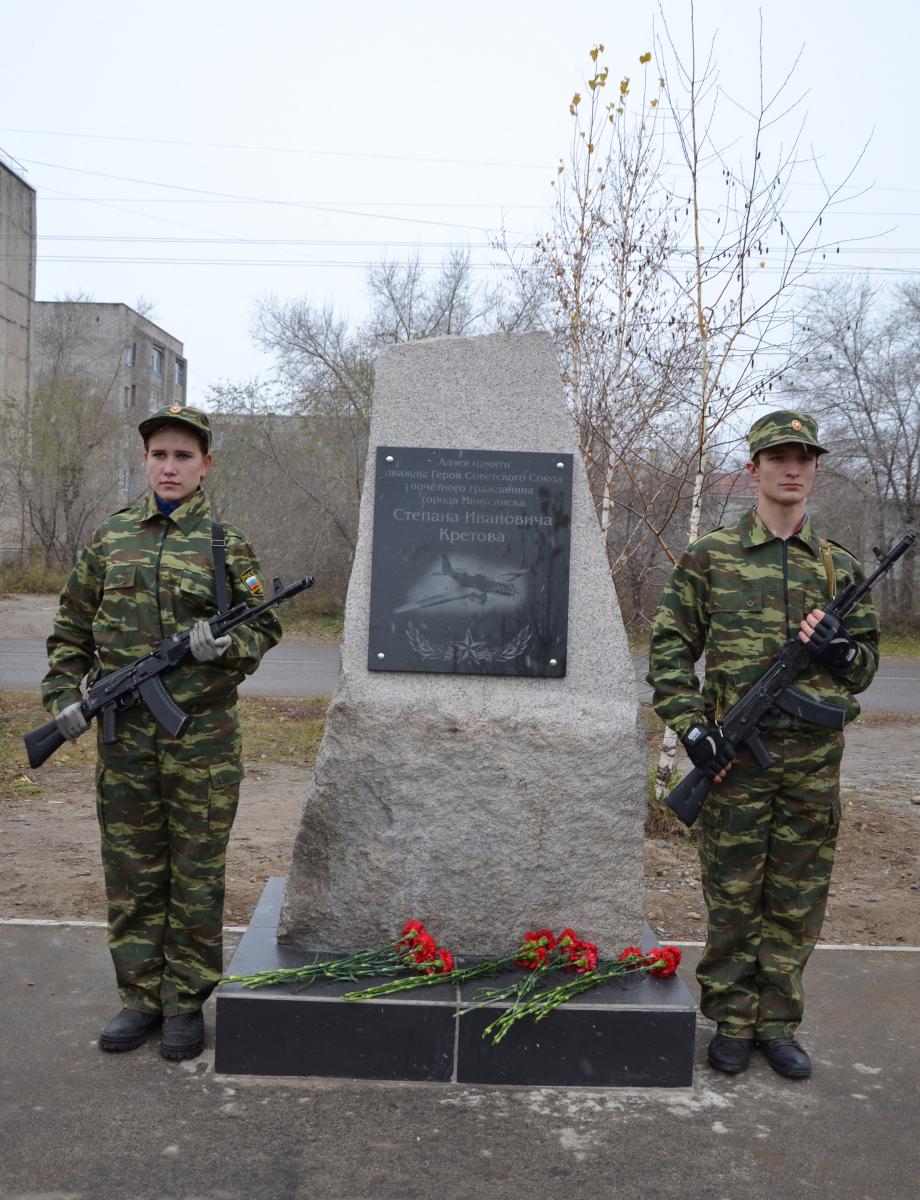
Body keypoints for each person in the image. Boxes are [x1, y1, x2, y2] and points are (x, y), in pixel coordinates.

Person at [41, 404, 282, 1061]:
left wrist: (223, 647)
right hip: (123, 740)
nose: (170, 467)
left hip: (200, 742)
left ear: (206, 465)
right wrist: (65, 697)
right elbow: (70, 631)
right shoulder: (110, 539)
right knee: (133, 872)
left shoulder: (225, 545)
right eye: (159, 455)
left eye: (183, 456)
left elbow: (265, 628)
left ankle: (184, 1003)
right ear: (145, 461)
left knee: (196, 875)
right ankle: (139, 997)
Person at [647, 410, 879, 1080]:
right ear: (753, 469)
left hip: (811, 766)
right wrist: (692, 728)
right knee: (733, 893)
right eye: (778, 457)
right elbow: (669, 651)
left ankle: (777, 1024)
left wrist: (840, 649)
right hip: (734, 764)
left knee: (797, 895)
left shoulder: (838, 568)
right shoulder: (711, 557)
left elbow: (864, 667)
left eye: (804, 458)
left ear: (814, 468)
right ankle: (732, 1019)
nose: (792, 468)